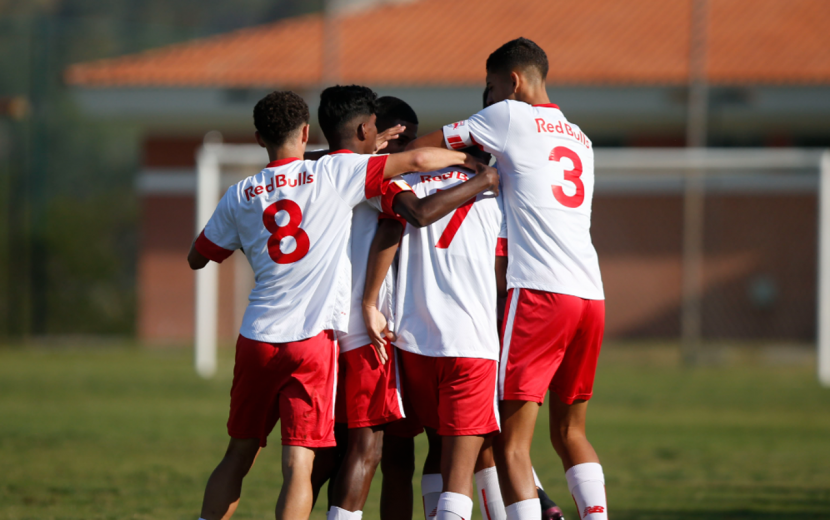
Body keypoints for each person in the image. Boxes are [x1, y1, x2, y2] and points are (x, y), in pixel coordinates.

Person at [188, 90, 478, 520]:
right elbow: (415, 166)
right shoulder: (335, 173)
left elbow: (198, 257)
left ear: (257, 137)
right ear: (306, 132)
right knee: (301, 466)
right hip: (313, 340)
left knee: (238, 454)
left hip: (256, 337)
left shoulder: (240, 194)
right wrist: (467, 165)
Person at [406, 37, 608, 520]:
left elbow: (418, 150)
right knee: (571, 433)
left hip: (540, 291)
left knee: (505, 437)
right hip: (591, 294)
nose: (489, 98)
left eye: (491, 88)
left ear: (512, 82)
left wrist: (465, 162)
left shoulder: (508, 116)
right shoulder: (580, 136)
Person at [311, 85, 500, 520]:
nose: (409, 145)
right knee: (370, 451)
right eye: (400, 136)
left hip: (396, 331)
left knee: (402, 453)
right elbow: (400, 222)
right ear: (375, 133)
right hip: (383, 333)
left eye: (412, 137)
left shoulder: (376, 175)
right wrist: (478, 172)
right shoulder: (365, 173)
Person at [363, 144, 505, 520]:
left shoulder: (405, 183)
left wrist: (370, 301)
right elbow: (503, 269)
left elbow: (389, 234)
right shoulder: (499, 193)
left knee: (421, 455)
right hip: (471, 343)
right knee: (460, 475)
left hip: (412, 343)